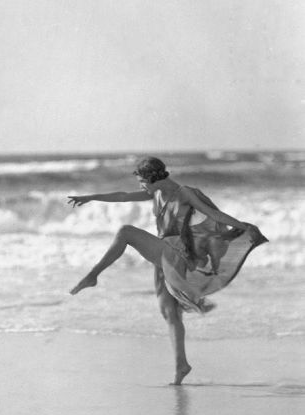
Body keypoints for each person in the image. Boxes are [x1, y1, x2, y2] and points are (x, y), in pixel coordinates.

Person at [67, 156, 268, 385]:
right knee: (169, 312)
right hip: (163, 255)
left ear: (153, 178)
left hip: (177, 253)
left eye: (143, 180)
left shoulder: (184, 193)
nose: (140, 185)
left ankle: (93, 275)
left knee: (126, 232)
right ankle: (181, 365)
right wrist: (91, 197)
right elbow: (122, 196)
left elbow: (214, 215)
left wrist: (245, 227)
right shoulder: (155, 192)